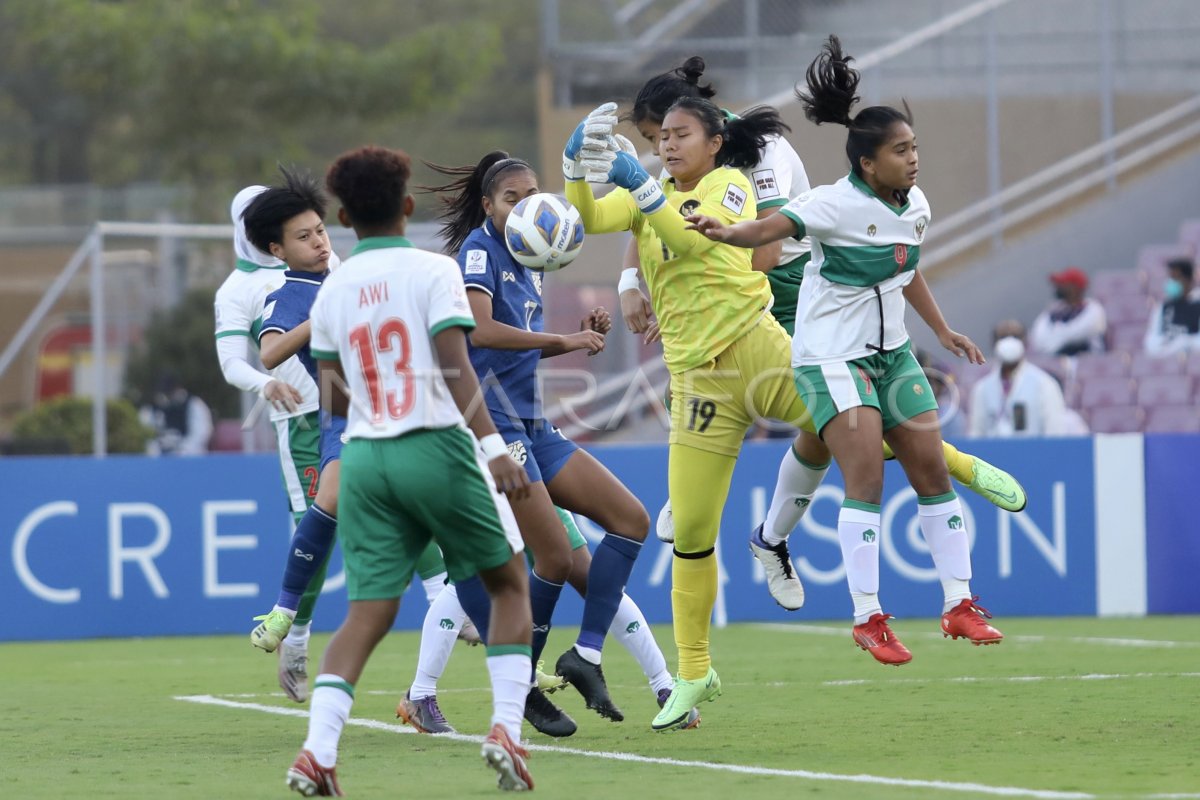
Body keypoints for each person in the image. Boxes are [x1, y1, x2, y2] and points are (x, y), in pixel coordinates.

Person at [685, 35, 1006, 671]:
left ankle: (960, 603)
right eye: (901, 151)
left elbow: (905, 267)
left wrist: (941, 332)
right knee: (865, 476)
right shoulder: (832, 204)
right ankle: (868, 616)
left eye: (914, 147)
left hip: (893, 356)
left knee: (931, 473)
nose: (914, 159)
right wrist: (726, 231)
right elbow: (768, 229)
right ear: (867, 163)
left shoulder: (915, 206)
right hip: (832, 358)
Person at [285, 144, 535, 795]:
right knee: (509, 585)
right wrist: (493, 448)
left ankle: (317, 752)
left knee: (366, 613)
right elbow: (457, 368)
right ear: (407, 205)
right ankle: (507, 728)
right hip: (434, 444)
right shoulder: (434, 270)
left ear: (342, 215)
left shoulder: (332, 288)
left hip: (365, 457)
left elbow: (333, 396)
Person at [409, 150, 655, 734]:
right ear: (490, 205)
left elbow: (513, 341)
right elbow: (480, 330)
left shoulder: (533, 255)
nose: (524, 204)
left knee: (631, 520)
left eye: (530, 193)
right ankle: (519, 685)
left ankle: (585, 653)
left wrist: (576, 337)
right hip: (489, 421)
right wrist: (565, 342)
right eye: (511, 197)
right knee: (552, 557)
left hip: (533, 422)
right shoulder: (479, 249)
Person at [242, 168, 457, 700]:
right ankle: (286, 610)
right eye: (303, 236)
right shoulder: (292, 293)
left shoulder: (354, 273)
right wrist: (325, 315)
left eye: (319, 231)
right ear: (277, 249)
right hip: (346, 417)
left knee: (420, 508)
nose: (318, 242)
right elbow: (269, 353)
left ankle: (450, 606)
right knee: (330, 501)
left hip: (405, 410)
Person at [397, 507, 699, 735]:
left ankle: (664, 687)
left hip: (530, 464)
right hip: (488, 466)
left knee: (590, 576)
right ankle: (422, 694)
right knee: (470, 573)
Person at [214, 185, 327, 701]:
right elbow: (234, 362)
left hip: (355, 409)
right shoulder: (237, 290)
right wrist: (267, 383)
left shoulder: (322, 257)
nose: (315, 240)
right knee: (319, 531)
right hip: (302, 424)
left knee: (401, 504)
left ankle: (448, 604)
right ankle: (297, 641)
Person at [969, 320, 1069, 438]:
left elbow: (1055, 431)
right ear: (994, 343)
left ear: (1025, 342)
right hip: (992, 454)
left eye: (1016, 337)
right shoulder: (982, 388)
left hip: (1033, 453)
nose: (1009, 342)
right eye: (1003, 337)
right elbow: (976, 434)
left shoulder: (1044, 384)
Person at [1030, 267, 1107, 356]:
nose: (1057, 287)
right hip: (1057, 363)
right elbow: (1037, 337)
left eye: (1062, 284)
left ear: (1074, 288)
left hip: (1089, 363)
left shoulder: (1093, 308)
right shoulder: (1054, 310)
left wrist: (1052, 341)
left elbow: (1076, 334)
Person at [142, 374, 213, 455]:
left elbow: (201, 434)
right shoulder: (152, 409)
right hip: (161, 460)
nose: (168, 396)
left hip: (190, 459)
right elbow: (146, 435)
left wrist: (181, 451)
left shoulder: (194, 405)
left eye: (170, 392)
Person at [1144, 258, 1200, 355]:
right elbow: (1150, 342)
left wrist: (1185, 342)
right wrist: (1169, 346)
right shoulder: (1162, 308)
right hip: (1166, 360)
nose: (1171, 282)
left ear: (1189, 281)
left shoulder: (1197, 306)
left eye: (1176, 278)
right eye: (1170, 278)